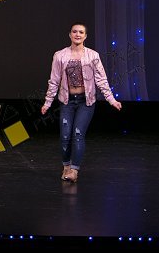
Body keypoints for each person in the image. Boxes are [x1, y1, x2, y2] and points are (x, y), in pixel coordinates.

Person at [41, 23, 121, 183]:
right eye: (75, 31)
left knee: (78, 135)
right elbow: (54, 80)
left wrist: (111, 99)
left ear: (85, 36)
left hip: (86, 102)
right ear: (70, 34)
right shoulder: (60, 55)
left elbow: (101, 79)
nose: (77, 34)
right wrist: (47, 102)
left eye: (81, 32)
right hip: (67, 101)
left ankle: (74, 171)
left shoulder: (93, 56)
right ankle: (66, 166)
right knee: (65, 136)